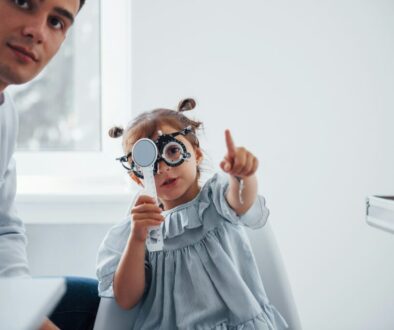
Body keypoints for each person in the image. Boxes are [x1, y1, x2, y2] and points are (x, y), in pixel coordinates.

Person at [96, 98, 288, 329]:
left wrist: (243, 176)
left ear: (196, 154)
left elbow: (241, 201)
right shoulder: (138, 228)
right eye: (148, 162)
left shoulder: (216, 201)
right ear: (137, 177)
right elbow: (126, 299)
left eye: (173, 150)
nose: (164, 168)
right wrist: (137, 238)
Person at [0, 0, 99, 329]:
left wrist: (25, 313)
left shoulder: (5, 116)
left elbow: (4, 229)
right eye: (23, 3)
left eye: (56, 22)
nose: (37, 31)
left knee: (96, 303)